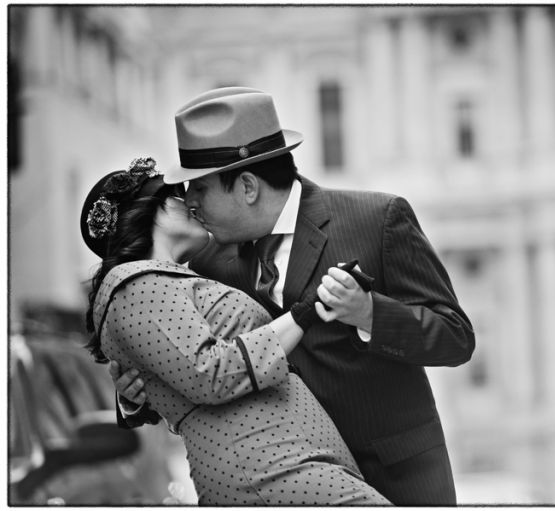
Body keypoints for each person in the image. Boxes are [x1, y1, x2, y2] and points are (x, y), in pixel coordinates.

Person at [112, 87, 475, 505]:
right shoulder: (208, 265)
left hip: (394, 478)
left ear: (247, 187)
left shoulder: (377, 219)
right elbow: (205, 371)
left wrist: (369, 314)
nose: (189, 202)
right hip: (283, 488)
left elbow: (455, 337)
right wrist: (134, 396)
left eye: (200, 188)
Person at [80, 157, 389, 505]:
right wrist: (306, 311)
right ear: (150, 211)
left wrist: (136, 397)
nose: (193, 204)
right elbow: (208, 373)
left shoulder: (171, 279)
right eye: (178, 196)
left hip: (281, 459)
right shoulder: (136, 286)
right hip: (264, 464)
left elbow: (179, 365)